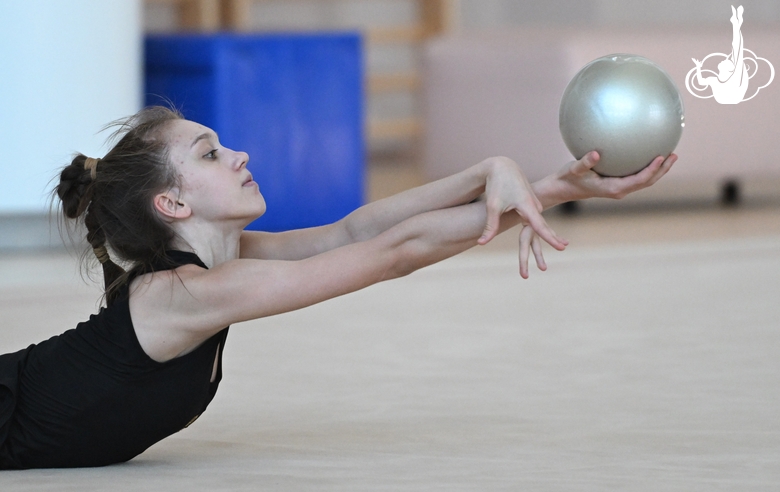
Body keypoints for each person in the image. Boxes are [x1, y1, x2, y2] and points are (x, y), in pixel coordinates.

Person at [0, 106, 676, 469]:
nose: (238, 155)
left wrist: (545, 183)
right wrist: (507, 175)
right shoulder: (184, 295)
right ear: (173, 206)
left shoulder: (216, 271)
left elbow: (354, 235)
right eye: (209, 154)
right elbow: (389, 255)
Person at [692, 5, 749, 104]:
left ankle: (736, 23)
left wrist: (736, 26)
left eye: (728, 62)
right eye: (728, 60)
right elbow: (701, 82)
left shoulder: (734, 79)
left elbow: (737, 49)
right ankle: (736, 23)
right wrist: (698, 67)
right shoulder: (714, 80)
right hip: (726, 99)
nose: (725, 59)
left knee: (736, 49)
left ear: (730, 69)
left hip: (732, 98)